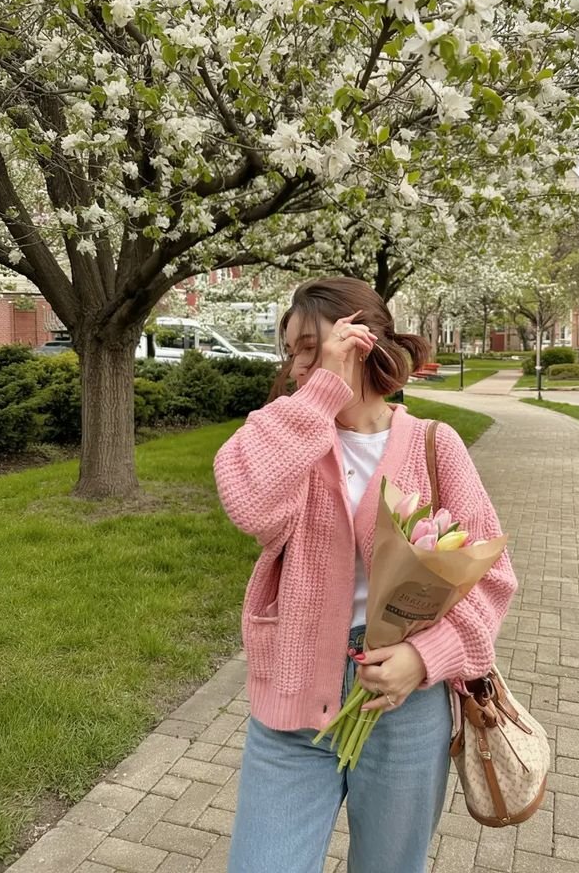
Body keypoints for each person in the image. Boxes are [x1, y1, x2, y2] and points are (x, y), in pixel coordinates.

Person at [213, 277, 518, 873]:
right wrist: (322, 393)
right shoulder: (287, 432)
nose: (299, 367)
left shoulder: (436, 445)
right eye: (293, 352)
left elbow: (492, 576)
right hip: (294, 699)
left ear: (363, 344)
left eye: (313, 348)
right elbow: (248, 501)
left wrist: (426, 656)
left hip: (404, 706)